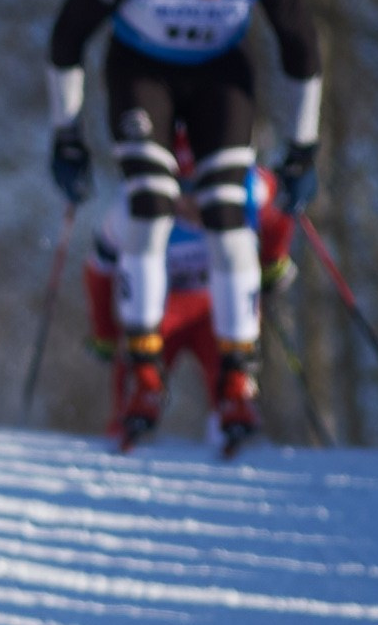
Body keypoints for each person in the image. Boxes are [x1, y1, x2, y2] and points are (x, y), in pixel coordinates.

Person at [46, 0, 324, 448]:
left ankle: (238, 377)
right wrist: (67, 134)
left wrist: (303, 148)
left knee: (228, 212)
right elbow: (67, 37)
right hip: (142, 71)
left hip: (221, 73)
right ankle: (144, 369)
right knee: (149, 205)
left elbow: (302, 50)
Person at [84, 136, 296, 448]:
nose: (190, 203)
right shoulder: (132, 208)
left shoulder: (249, 187)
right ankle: (128, 432)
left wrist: (273, 260)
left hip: (216, 307)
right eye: (180, 190)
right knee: (139, 371)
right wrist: (104, 331)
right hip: (162, 309)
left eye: (199, 188)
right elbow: (99, 271)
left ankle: (234, 428)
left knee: (231, 371)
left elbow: (281, 208)